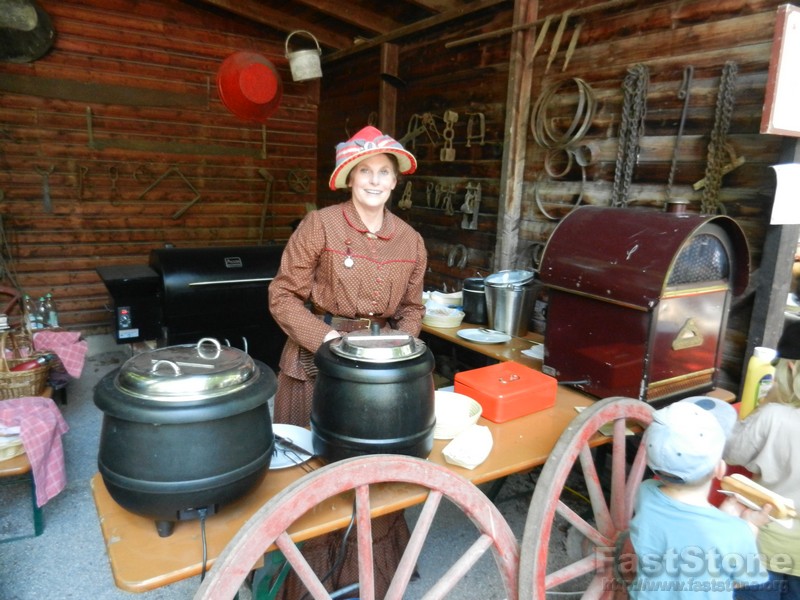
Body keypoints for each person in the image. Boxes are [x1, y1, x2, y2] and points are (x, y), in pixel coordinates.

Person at [268, 125, 427, 598]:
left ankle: (368, 578)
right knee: (311, 475)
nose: (375, 181)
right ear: (349, 178)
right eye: (365, 172)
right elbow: (281, 295)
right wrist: (327, 339)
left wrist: (397, 350)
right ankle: (308, 581)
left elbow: (414, 308)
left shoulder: (411, 240)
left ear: (396, 181)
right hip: (315, 365)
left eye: (384, 172)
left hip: (380, 381)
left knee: (376, 478)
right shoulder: (320, 225)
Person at [628, 397, 771, 599]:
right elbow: (740, 580)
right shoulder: (735, 532)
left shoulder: (646, 493)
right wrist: (751, 526)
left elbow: (687, 532)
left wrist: (726, 514)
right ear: (719, 470)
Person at [724, 319, 800, 599]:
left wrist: (766, 404)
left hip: (765, 546)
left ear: (790, 367)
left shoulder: (773, 417)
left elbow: (732, 451)